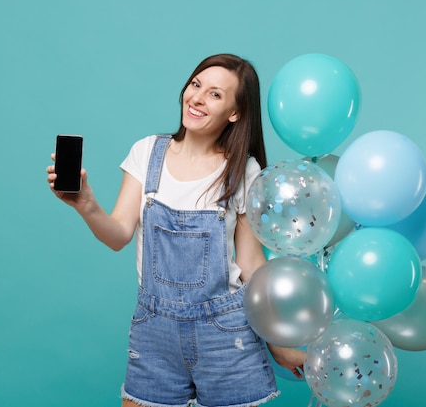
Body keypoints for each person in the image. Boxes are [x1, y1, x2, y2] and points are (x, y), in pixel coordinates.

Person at [46, 53, 305, 407]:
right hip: (155, 333)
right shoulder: (147, 152)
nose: (196, 97)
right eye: (196, 85)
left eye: (215, 94)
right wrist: (86, 205)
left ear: (236, 112)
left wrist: (278, 344)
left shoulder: (244, 170)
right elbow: (118, 235)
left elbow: (251, 265)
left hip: (226, 335)